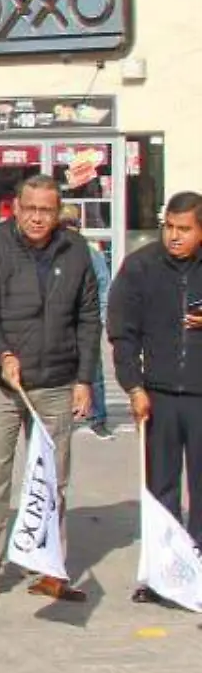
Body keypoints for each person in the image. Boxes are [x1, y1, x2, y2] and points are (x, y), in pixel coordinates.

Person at [0, 173, 100, 605]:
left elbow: (88, 317)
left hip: (57, 381)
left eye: (47, 210)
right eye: (31, 209)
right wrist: (3, 354)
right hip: (3, 383)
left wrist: (84, 380)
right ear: (16, 209)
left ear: (58, 212)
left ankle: (48, 567)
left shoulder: (77, 250)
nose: (39, 218)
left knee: (51, 478)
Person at [108, 192, 202, 605]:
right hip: (158, 396)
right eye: (170, 227)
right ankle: (162, 572)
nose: (175, 237)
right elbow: (122, 331)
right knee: (161, 487)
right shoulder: (141, 267)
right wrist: (134, 386)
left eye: (185, 229)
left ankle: (196, 567)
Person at [60, 209, 114, 438]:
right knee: (59, 372)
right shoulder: (53, 254)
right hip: (60, 322)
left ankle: (98, 417)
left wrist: (99, 318)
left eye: (72, 225)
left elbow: (104, 287)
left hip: (86, 321)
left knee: (94, 371)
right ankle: (62, 418)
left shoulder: (92, 255)